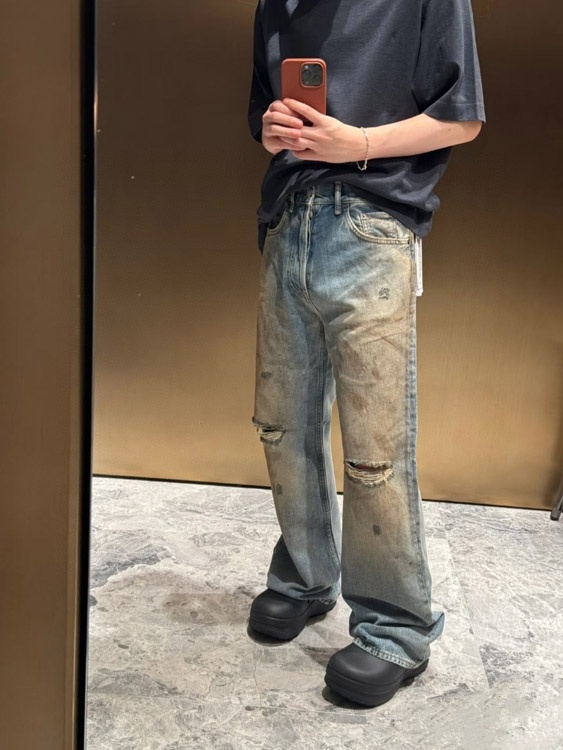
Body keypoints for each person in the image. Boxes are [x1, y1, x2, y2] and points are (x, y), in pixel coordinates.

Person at [247, 0, 485, 708]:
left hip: (372, 225)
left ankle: (395, 628)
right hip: (287, 220)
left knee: (375, 447)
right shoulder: (275, 3)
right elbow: (266, 117)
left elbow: (462, 117)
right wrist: (274, 130)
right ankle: (305, 575)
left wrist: (355, 142)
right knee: (282, 426)